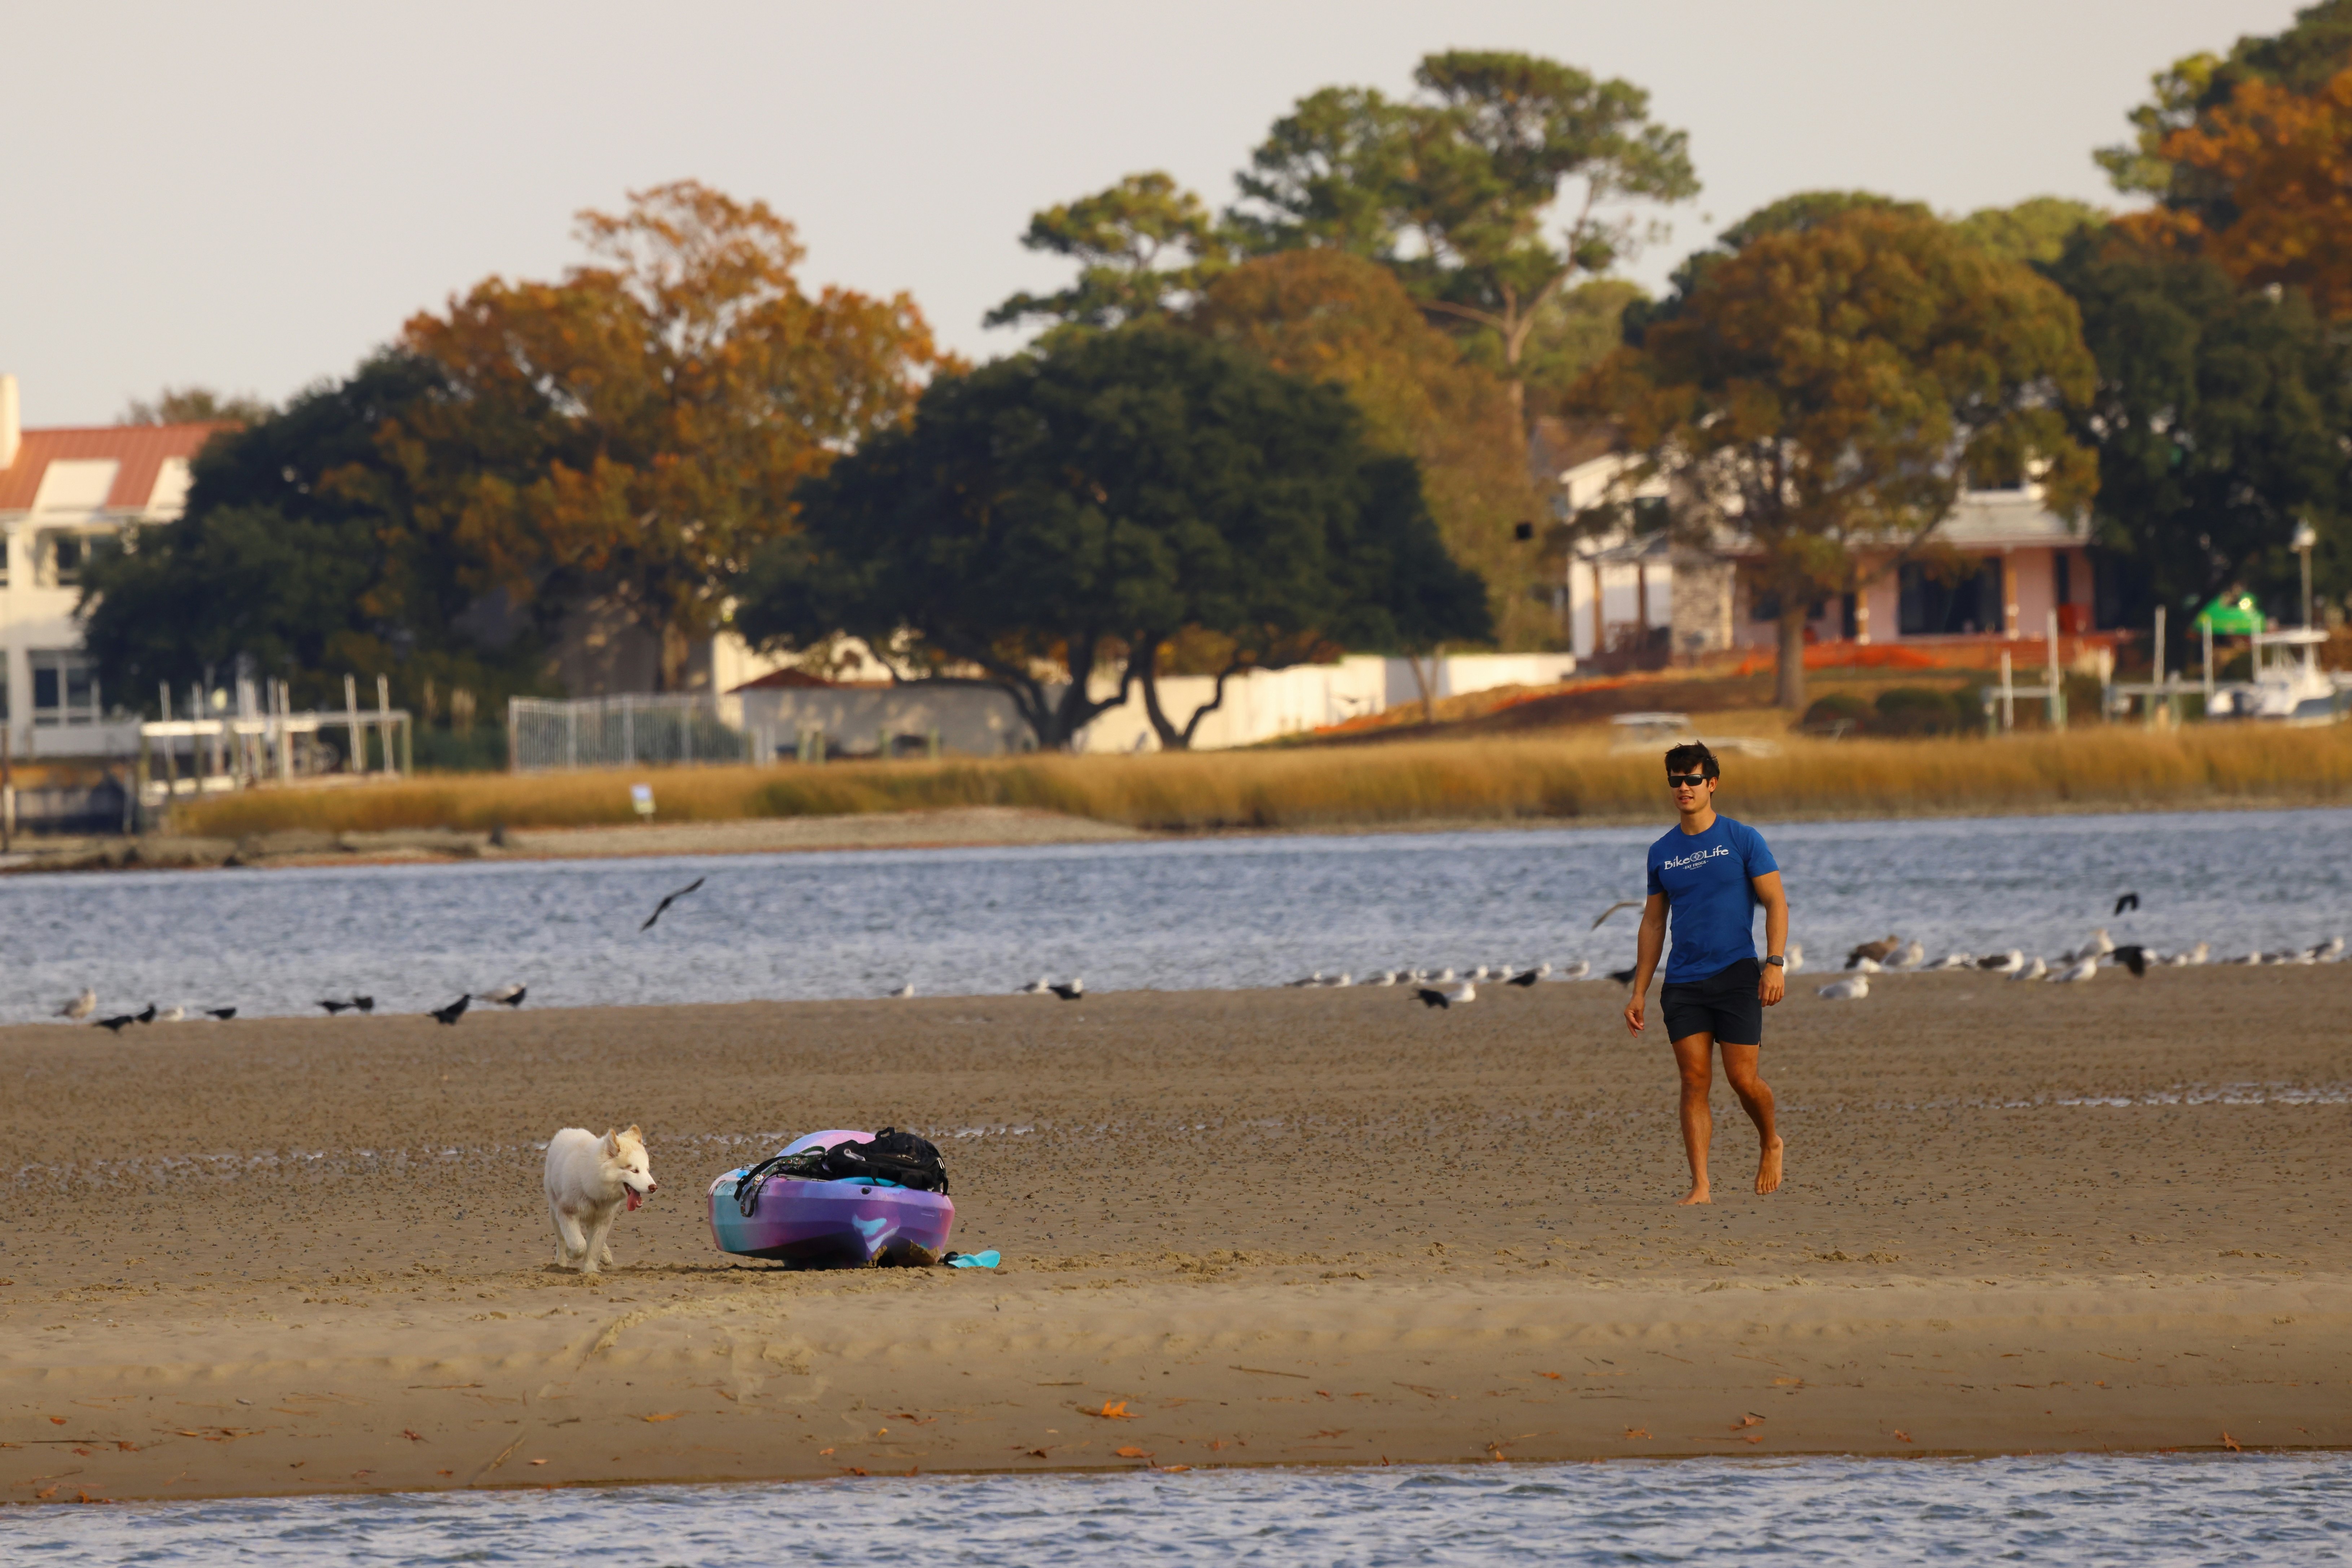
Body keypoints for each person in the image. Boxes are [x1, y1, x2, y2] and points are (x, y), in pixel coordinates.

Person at [1622, 742, 1789, 1205]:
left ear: (1711, 783)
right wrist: (1638, 992)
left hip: (1736, 972)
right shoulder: (1661, 852)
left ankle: (1770, 1141)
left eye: (1692, 779)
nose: (1683, 788)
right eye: (1675, 780)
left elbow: (1775, 902)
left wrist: (1774, 963)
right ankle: (1700, 1184)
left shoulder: (1741, 838)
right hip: (1683, 981)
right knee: (1693, 1081)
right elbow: (1654, 923)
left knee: (1743, 1080)